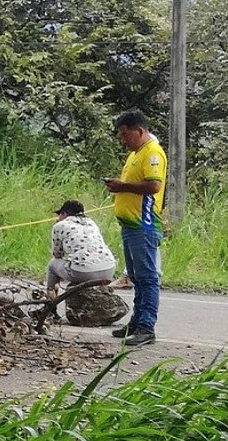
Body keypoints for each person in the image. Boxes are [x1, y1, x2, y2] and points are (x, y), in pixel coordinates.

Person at [103, 109, 166, 347]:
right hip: (129, 224)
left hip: (144, 224)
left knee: (147, 277)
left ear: (139, 131)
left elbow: (153, 186)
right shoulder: (135, 154)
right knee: (136, 277)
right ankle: (137, 321)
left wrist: (123, 186)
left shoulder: (152, 153)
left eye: (125, 134)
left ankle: (147, 327)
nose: (123, 139)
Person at [45, 200, 117, 295]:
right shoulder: (92, 223)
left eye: (60, 214)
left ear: (64, 213)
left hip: (83, 271)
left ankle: (51, 301)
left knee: (52, 265)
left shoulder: (60, 225)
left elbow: (57, 254)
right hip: (109, 269)